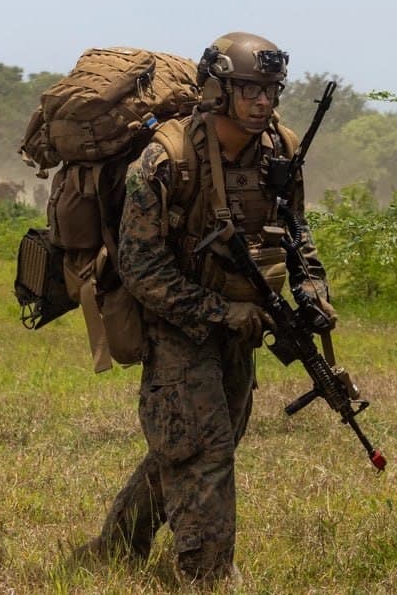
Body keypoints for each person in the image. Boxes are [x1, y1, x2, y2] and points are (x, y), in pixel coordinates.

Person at [74, 32, 336, 587]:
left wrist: (312, 288)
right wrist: (217, 312)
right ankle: (208, 576)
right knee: (202, 447)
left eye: (270, 90)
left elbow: (296, 231)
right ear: (217, 90)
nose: (263, 102)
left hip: (244, 319)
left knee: (194, 442)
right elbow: (141, 267)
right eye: (249, 90)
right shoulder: (165, 158)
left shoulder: (282, 150)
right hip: (176, 323)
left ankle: (115, 548)